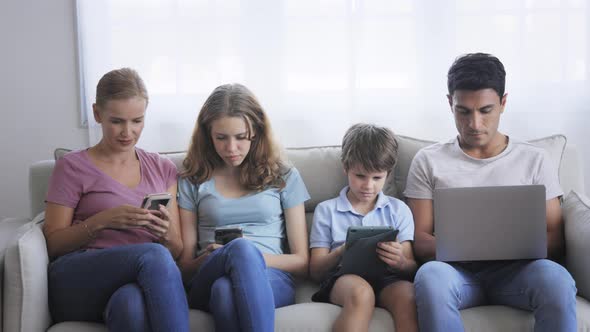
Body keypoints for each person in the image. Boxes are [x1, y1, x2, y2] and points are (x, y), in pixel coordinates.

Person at [405, 53, 577, 332]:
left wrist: (504, 246)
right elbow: (420, 240)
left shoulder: (535, 159)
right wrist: (470, 249)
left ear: (503, 103)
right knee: (430, 277)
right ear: (450, 103)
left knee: (557, 280)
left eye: (485, 110)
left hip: (519, 273)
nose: (475, 124)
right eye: (463, 111)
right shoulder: (428, 161)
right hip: (455, 274)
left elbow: (555, 237)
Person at [42, 68, 189, 332]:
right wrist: (101, 222)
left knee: (130, 306)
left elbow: (176, 250)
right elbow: (53, 245)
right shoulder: (71, 166)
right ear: (98, 113)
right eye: (117, 121)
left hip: (136, 281)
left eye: (137, 121)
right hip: (79, 277)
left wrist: (167, 234)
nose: (127, 132)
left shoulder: (162, 167)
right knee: (153, 255)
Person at [177, 83, 310, 332]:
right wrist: (213, 257)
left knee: (225, 291)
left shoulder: (284, 176)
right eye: (221, 138)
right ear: (208, 135)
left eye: (240, 137)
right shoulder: (192, 179)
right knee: (237, 254)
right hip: (210, 273)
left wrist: (247, 256)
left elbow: (302, 262)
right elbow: (184, 267)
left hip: (271, 277)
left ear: (256, 133)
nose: (231, 148)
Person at [309, 123, 418, 332]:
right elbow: (315, 271)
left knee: (408, 295)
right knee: (361, 293)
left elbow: (410, 266)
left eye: (377, 178)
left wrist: (401, 260)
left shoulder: (399, 210)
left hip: (388, 278)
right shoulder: (326, 210)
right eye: (360, 176)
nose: (368, 186)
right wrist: (342, 251)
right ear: (346, 167)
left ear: (388, 173)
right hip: (344, 278)